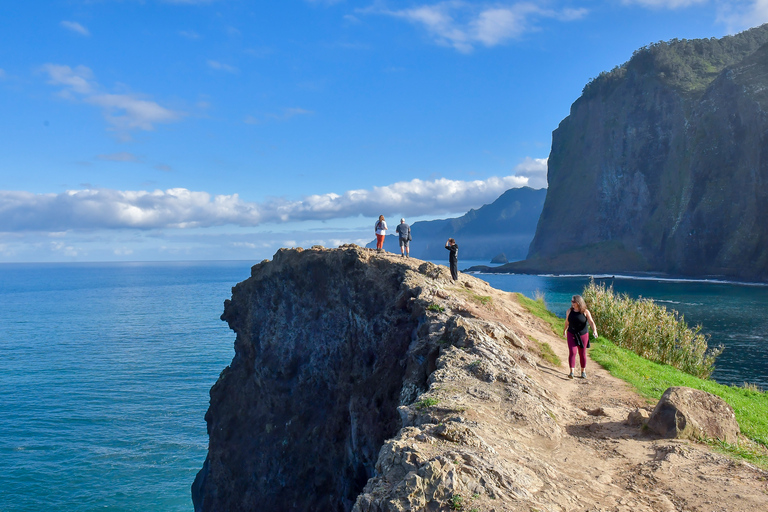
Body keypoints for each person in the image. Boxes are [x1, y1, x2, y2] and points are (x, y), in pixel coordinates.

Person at [563, 294, 598, 379]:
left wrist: (595, 331)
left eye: (573, 301)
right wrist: (564, 330)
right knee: (572, 352)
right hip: (571, 334)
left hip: (583, 335)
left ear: (578, 302)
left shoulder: (585, 312)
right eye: (572, 301)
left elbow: (591, 322)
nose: (572, 303)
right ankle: (571, 372)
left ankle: (583, 371)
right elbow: (567, 322)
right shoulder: (569, 311)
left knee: (582, 353)